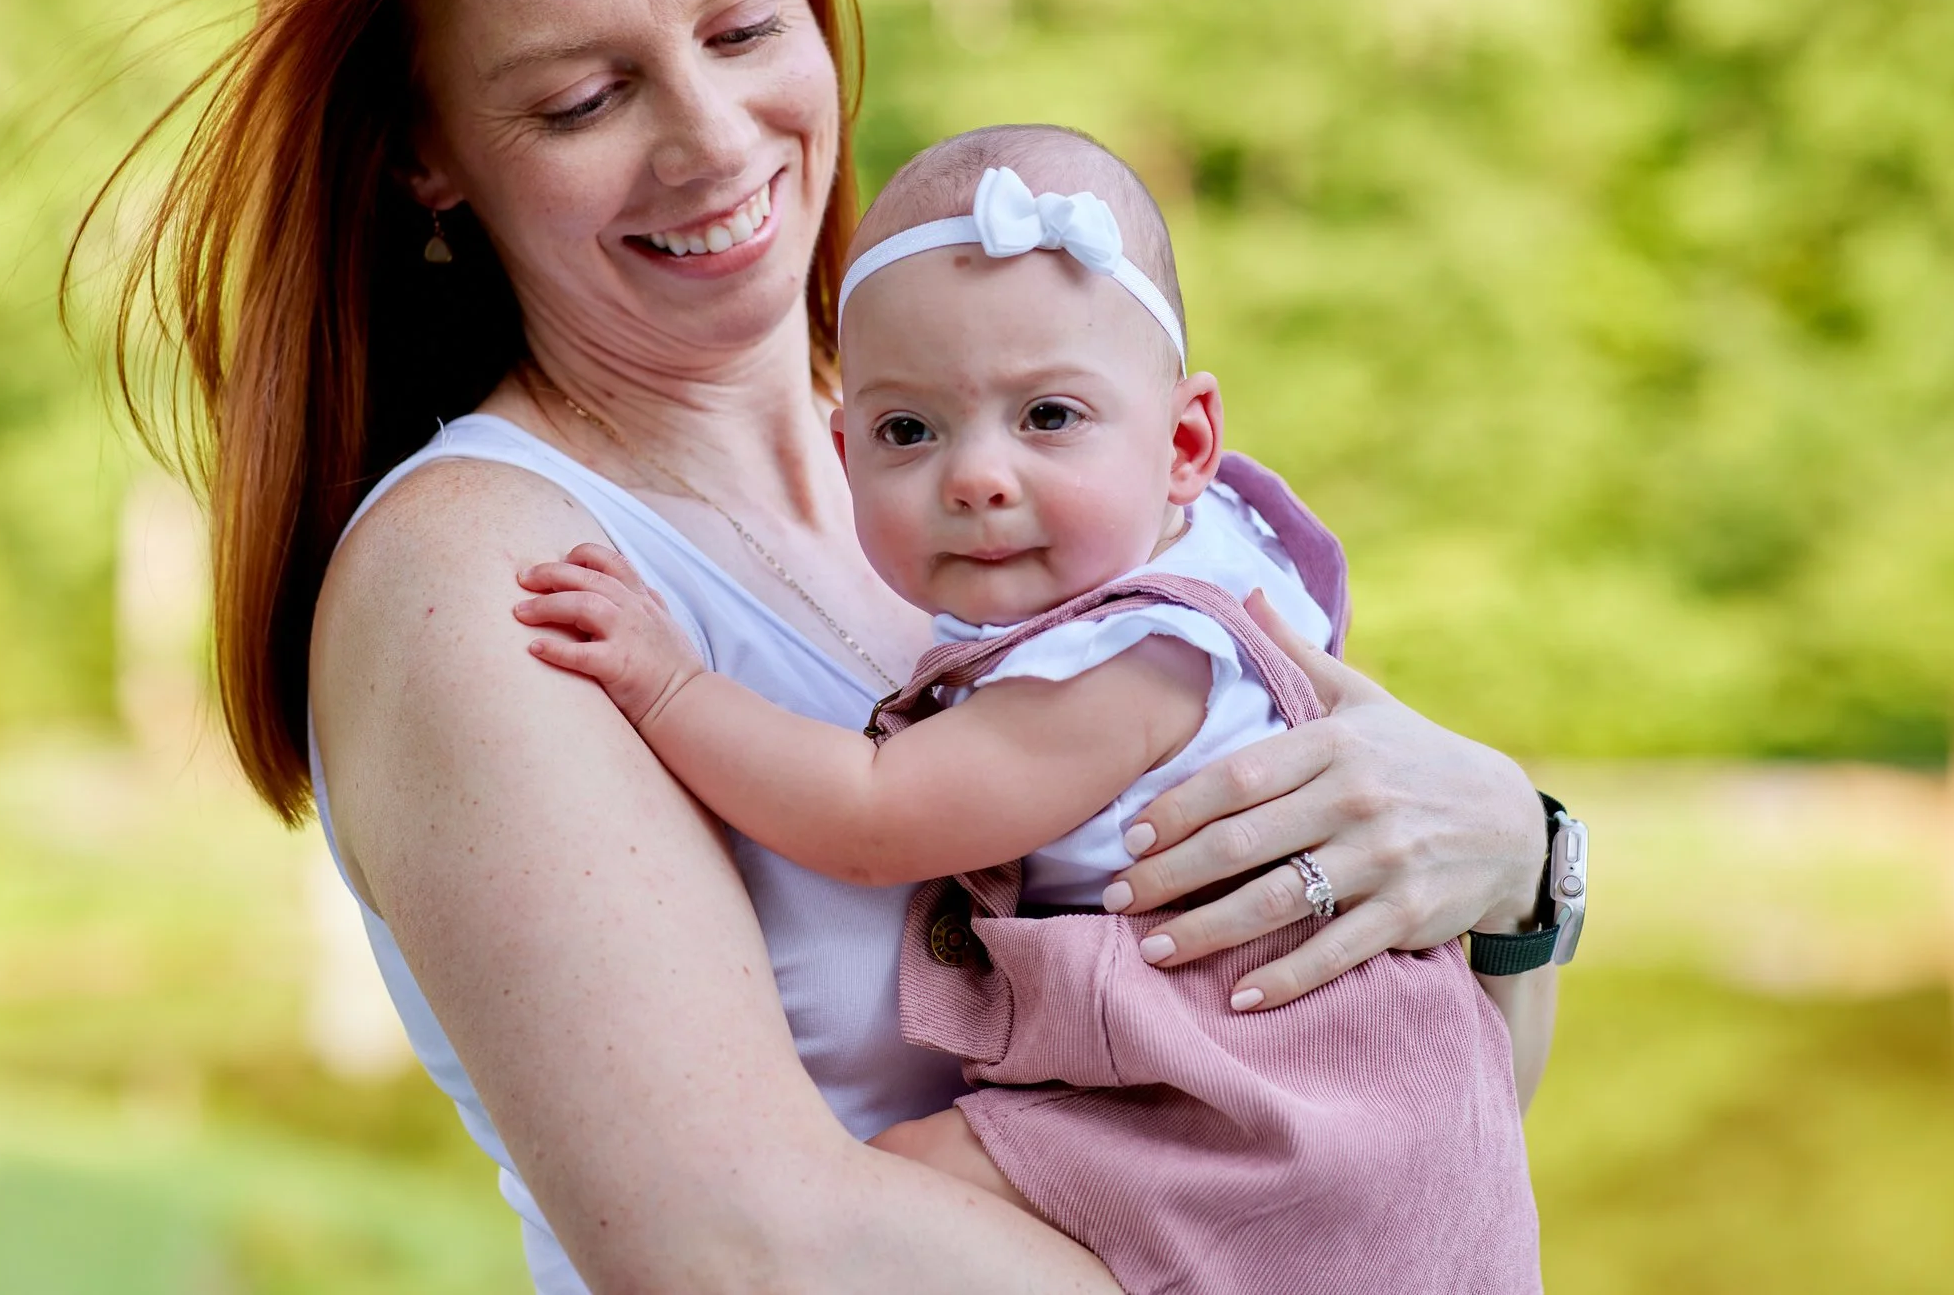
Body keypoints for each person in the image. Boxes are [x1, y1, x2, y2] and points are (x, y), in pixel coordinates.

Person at [85, 0, 1561, 1295]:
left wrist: (1529, 870)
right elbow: (741, 1253)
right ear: (425, 155)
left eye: (741, 28)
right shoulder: (482, 580)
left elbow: (1387, 1119)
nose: (713, 140)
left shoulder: (1001, 474)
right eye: (585, 99)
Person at [513, 125, 1542, 1294]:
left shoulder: (1132, 661)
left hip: (1258, 1107)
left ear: (1184, 441)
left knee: (887, 1189)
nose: (976, 476)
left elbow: (873, 817)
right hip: (1341, 1092)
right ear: (847, 454)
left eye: (1047, 416)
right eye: (910, 431)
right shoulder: (1225, 539)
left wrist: (669, 683)